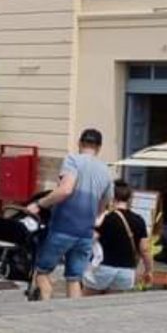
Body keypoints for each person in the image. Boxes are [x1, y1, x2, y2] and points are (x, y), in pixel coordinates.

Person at [26, 127, 111, 301]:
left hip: (63, 229)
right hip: (85, 234)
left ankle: (45, 310)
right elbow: (104, 204)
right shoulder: (106, 171)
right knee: (74, 279)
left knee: (42, 272)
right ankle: (73, 318)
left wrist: (39, 204)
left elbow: (65, 190)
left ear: (80, 143)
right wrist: (94, 220)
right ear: (99, 147)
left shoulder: (73, 160)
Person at [86, 181, 150, 294]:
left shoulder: (106, 217)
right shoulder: (139, 220)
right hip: (126, 270)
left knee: (87, 303)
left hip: (103, 267)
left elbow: (91, 239)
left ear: (110, 197)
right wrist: (148, 270)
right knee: (112, 306)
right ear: (130, 198)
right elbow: (144, 249)